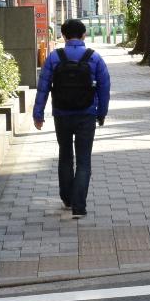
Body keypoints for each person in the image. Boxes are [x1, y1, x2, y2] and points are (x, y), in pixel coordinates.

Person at [33, 19, 112, 218]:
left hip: (61, 114)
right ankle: (79, 207)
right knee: (84, 160)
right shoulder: (94, 57)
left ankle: (67, 199)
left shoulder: (54, 57)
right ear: (84, 35)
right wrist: (101, 113)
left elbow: (43, 87)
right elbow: (104, 88)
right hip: (86, 114)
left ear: (64, 36)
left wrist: (38, 114)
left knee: (65, 156)